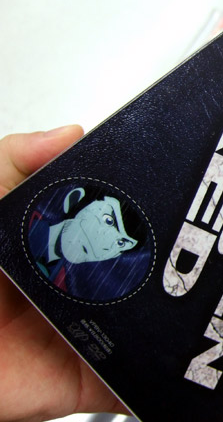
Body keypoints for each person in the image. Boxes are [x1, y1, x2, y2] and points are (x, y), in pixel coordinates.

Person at [0, 125, 128, 421]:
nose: (107, 244)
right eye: (108, 221)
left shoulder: (67, 293)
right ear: (77, 200)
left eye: (121, 243)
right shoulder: (20, 225)